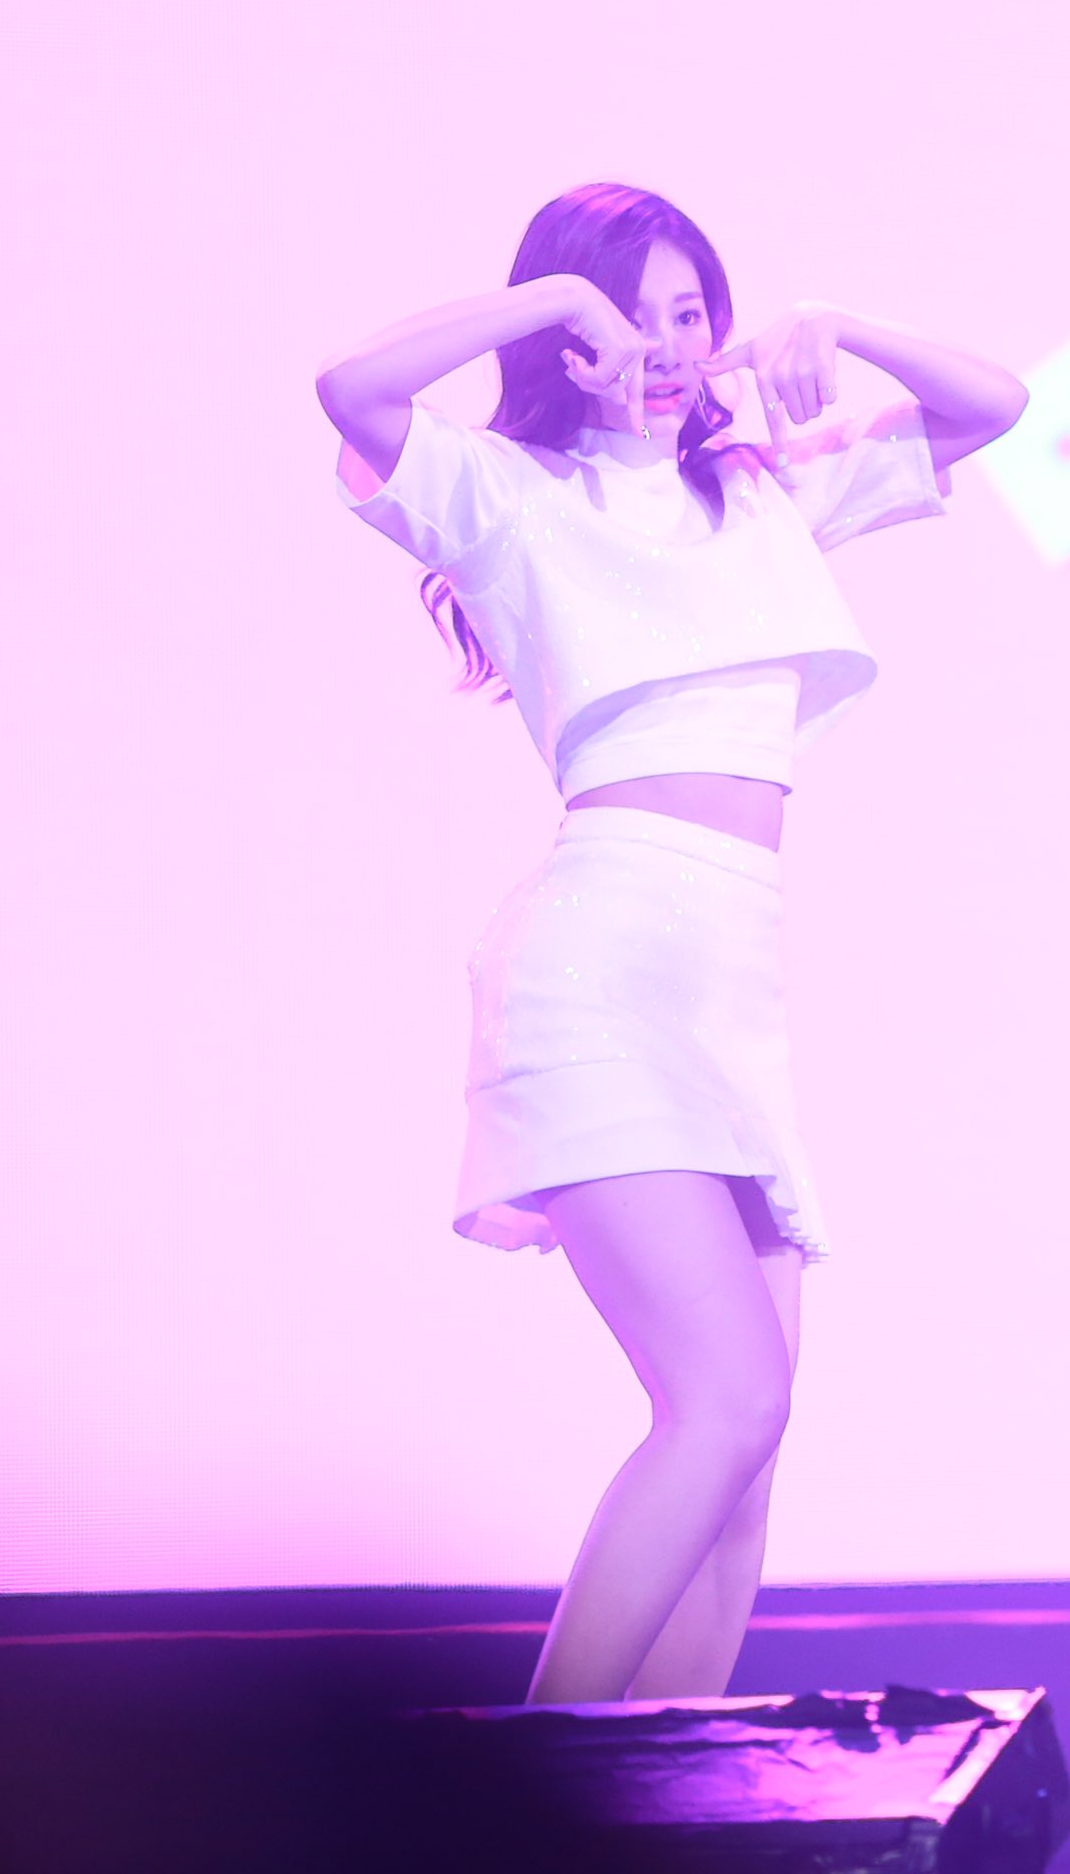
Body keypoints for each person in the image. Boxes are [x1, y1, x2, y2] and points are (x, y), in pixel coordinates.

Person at [315, 182, 1027, 1708]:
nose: (665, 345)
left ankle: (666, 1808)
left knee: (747, 1471)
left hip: (731, 986)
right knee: (724, 1404)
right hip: (602, 969)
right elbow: (352, 388)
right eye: (628, 314)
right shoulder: (508, 493)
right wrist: (543, 307)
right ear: (568, 331)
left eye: (689, 311)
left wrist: (837, 322)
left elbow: (1001, 408)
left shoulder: (765, 491)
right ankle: (522, 1793)